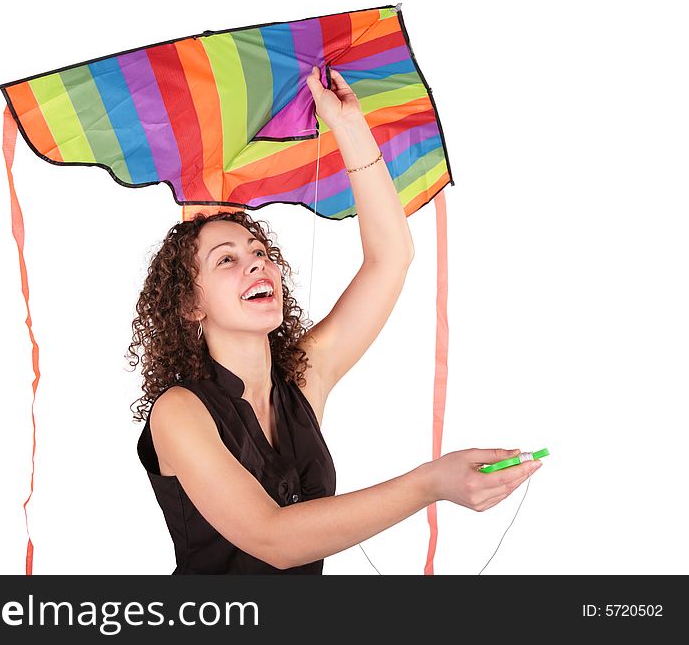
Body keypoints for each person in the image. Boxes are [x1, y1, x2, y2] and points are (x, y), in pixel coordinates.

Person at [128, 66, 542, 573]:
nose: (257, 262)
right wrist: (430, 484)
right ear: (191, 306)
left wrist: (348, 126)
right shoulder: (178, 411)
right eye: (226, 260)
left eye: (259, 252)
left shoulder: (303, 376)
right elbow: (273, 539)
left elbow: (391, 257)